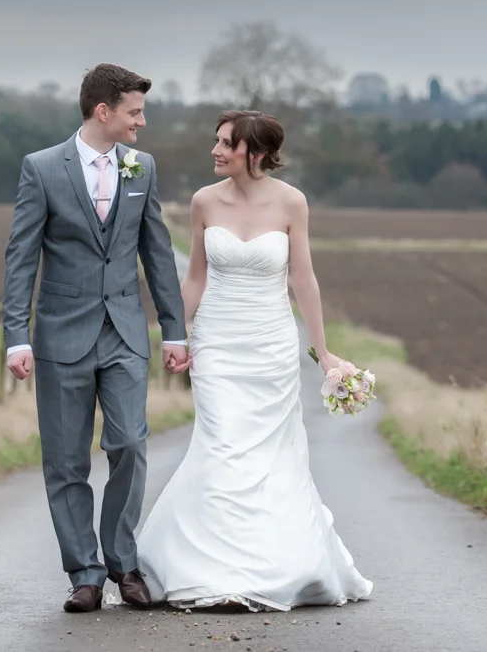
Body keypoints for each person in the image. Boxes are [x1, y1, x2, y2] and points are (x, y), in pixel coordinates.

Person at [136, 109, 373, 611]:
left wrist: (324, 351)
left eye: (227, 144)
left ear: (257, 154)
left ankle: (267, 569)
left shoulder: (292, 203)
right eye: (217, 141)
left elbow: (303, 280)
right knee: (222, 446)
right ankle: (213, 573)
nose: (216, 151)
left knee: (268, 458)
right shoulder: (204, 201)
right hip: (218, 344)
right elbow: (195, 278)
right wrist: (176, 336)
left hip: (271, 348)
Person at [1, 63, 189, 613]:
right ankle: (83, 573)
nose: (142, 122)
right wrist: (17, 335)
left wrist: (174, 329)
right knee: (65, 461)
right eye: (135, 111)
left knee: (130, 442)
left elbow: (156, 251)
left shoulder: (142, 168)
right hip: (61, 334)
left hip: (126, 333)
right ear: (103, 112)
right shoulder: (41, 169)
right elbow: (21, 256)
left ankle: (123, 563)